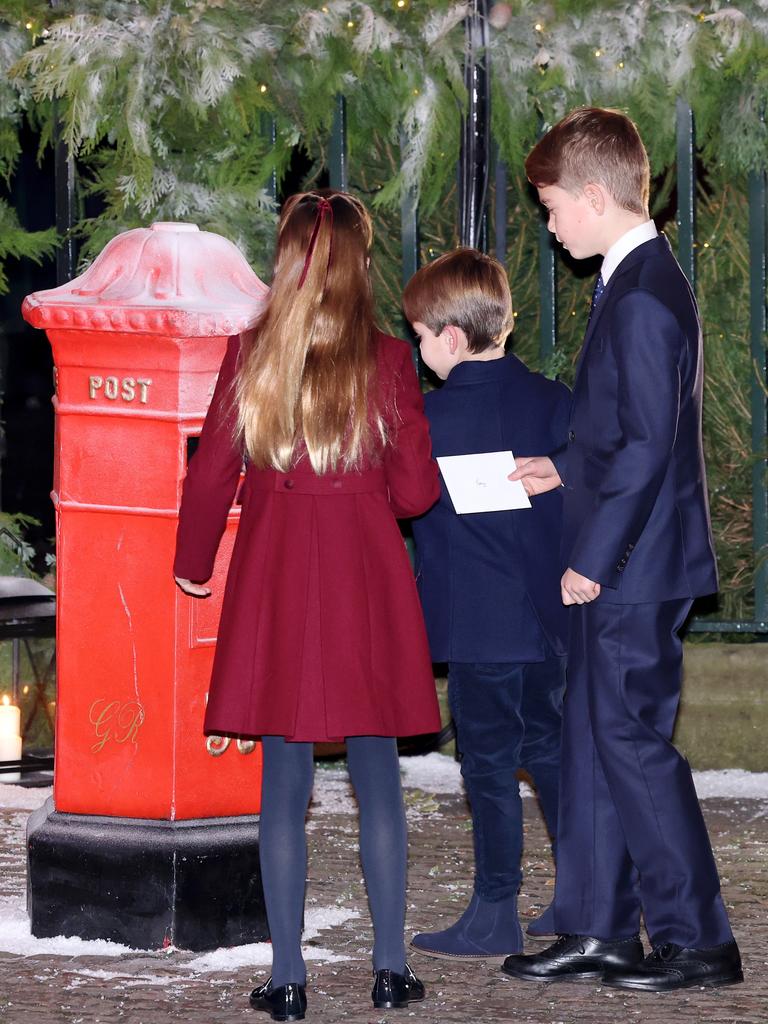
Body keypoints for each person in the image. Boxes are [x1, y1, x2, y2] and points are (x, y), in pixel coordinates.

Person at [173, 190, 442, 1020]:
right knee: (378, 778)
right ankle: (390, 971)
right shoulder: (390, 361)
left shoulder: (249, 353)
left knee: (282, 782)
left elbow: (212, 475)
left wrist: (192, 565)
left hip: (277, 575)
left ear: (286, 263)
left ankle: (287, 979)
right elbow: (415, 492)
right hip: (365, 578)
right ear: (360, 266)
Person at [502, 107, 743, 991]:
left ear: (596, 195)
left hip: (633, 569)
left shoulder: (640, 292)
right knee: (596, 742)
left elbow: (648, 446)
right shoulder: (635, 278)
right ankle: (599, 929)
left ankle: (698, 940)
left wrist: (592, 557)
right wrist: (562, 469)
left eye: (554, 204)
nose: (549, 220)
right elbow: (627, 433)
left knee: (632, 746)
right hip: (631, 558)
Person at [402, 248, 570, 961]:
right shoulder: (555, 401)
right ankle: (584, 893)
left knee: (491, 767)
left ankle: (496, 909)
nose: (417, 348)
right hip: (551, 615)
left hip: (478, 626)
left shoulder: (425, 419)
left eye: (418, 334)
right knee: (555, 753)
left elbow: (406, 503)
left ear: (448, 338)